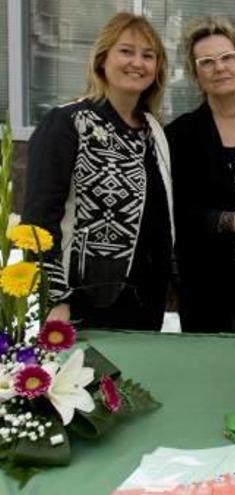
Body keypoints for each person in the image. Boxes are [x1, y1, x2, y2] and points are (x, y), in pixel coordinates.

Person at [23, 13, 172, 330]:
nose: (138, 62)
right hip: (84, 301)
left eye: (149, 56)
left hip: (146, 302)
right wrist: (54, 298)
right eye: (126, 51)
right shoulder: (68, 122)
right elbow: (37, 223)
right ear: (102, 59)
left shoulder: (153, 131)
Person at [165, 17, 235, 333]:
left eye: (228, 57)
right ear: (195, 75)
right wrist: (233, 221)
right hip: (206, 280)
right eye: (207, 62)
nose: (220, 68)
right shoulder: (180, 134)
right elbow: (179, 210)